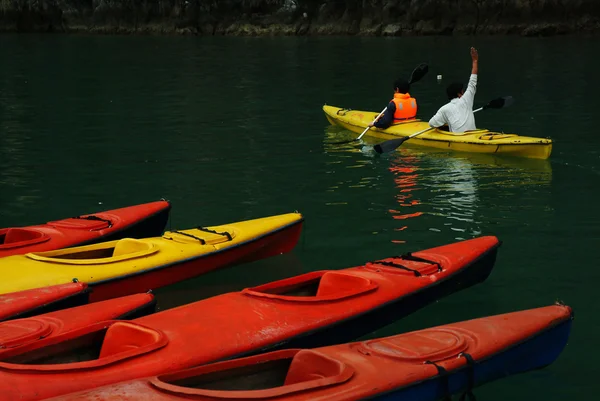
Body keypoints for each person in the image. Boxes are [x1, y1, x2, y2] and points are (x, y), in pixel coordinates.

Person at [429, 47, 479, 133]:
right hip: (470, 136)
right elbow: (473, 80)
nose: (464, 93)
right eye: (463, 91)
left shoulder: (444, 109)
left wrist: (444, 121)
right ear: (459, 94)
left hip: (461, 138)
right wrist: (475, 61)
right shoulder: (466, 100)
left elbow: (431, 123)